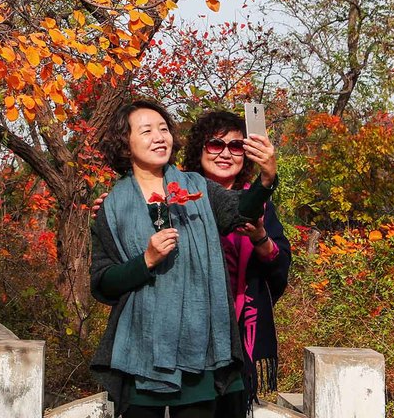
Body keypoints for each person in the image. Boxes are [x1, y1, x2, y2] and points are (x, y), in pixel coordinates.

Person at [90, 99, 278, 418]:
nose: (159, 136)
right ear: (126, 143)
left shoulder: (197, 188)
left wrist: (266, 178)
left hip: (201, 351)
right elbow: (103, 284)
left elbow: (241, 211)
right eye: (146, 130)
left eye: (164, 129)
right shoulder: (112, 206)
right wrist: (146, 260)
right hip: (141, 353)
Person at [183, 110, 291, 409]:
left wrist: (258, 237)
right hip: (186, 333)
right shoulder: (178, 197)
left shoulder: (259, 203)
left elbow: (279, 269)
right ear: (199, 150)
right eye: (215, 144)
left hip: (238, 332)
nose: (225, 154)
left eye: (236, 146)